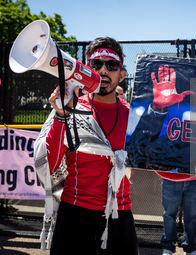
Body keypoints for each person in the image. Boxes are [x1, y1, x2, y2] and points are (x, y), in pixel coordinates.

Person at [34, 37, 139, 255]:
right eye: (96, 64)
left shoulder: (134, 117)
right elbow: (49, 167)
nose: (103, 71)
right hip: (74, 216)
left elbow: (166, 162)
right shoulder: (68, 109)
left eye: (111, 65)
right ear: (84, 70)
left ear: (121, 75)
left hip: (120, 216)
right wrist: (61, 116)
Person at [157, 171, 196, 255]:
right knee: (170, 214)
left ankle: (189, 247)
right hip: (172, 175)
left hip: (193, 176)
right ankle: (169, 246)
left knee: (191, 215)